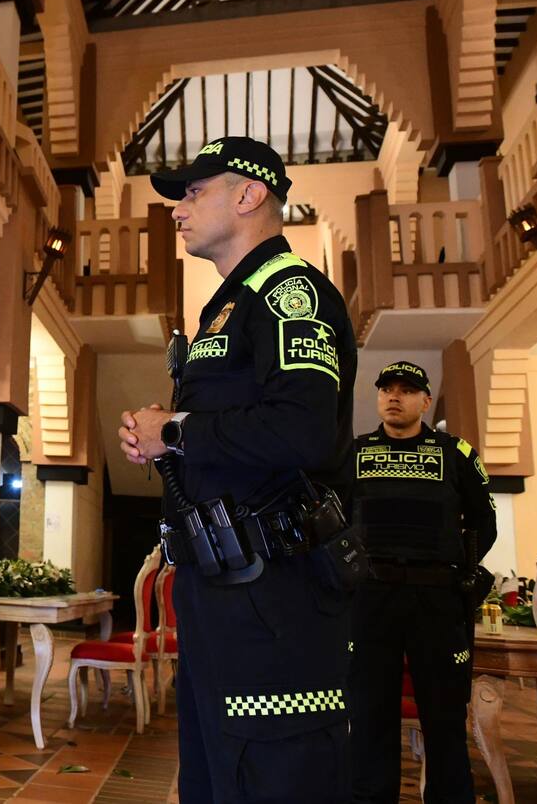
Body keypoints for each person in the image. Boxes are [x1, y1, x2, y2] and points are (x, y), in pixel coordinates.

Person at [118, 136, 359, 804]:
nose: (177, 208)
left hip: (274, 593)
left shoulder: (290, 293)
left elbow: (304, 430)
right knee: (216, 777)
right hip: (222, 588)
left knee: (273, 778)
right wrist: (172, 440)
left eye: (194, 192)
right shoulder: (228, 303)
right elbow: (231, 436)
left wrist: (175, 429)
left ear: (250, 194)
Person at [349, 361, 496, 804]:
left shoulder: (456, 453)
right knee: (370, 715)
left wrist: (464, 572)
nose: (395, 396)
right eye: (387, 389)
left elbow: (483, 523)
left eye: (407, 390)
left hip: (438, 600)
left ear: (425, 401)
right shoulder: (353, 453)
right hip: (371, 599)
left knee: (445, 716)